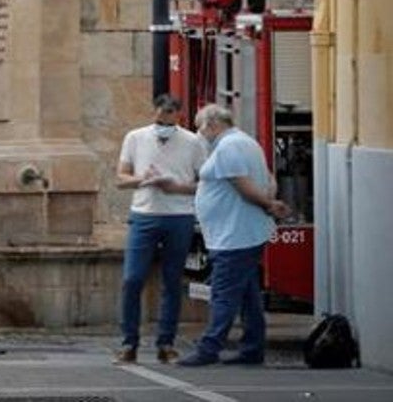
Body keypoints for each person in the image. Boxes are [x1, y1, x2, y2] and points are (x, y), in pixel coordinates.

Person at [178, 104, 291, 367]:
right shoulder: (246, 142)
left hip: (233, 234)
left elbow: (243, 185)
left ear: (213, 124)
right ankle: (253, 348)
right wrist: (269, 200)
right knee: (248, 293)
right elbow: (268, 178)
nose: (199, 133)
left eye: (200, 126)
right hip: (240, 231)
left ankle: (209, 348)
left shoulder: (229, 147)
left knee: (223, 293)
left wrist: (267, 205)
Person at [114, 94, 207, 364]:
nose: (163, 121)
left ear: (178, 115)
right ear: (154, 112)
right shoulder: (135, 138)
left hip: (179, 215)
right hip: (144, 213)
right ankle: (129, 341)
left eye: (169, 115)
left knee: (172, 281)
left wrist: (175, 187)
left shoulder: (192, 142)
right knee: (132, 279)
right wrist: (141, 179)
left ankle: (165, 342)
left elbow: (203, 183)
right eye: (159, 115)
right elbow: (121, 178)